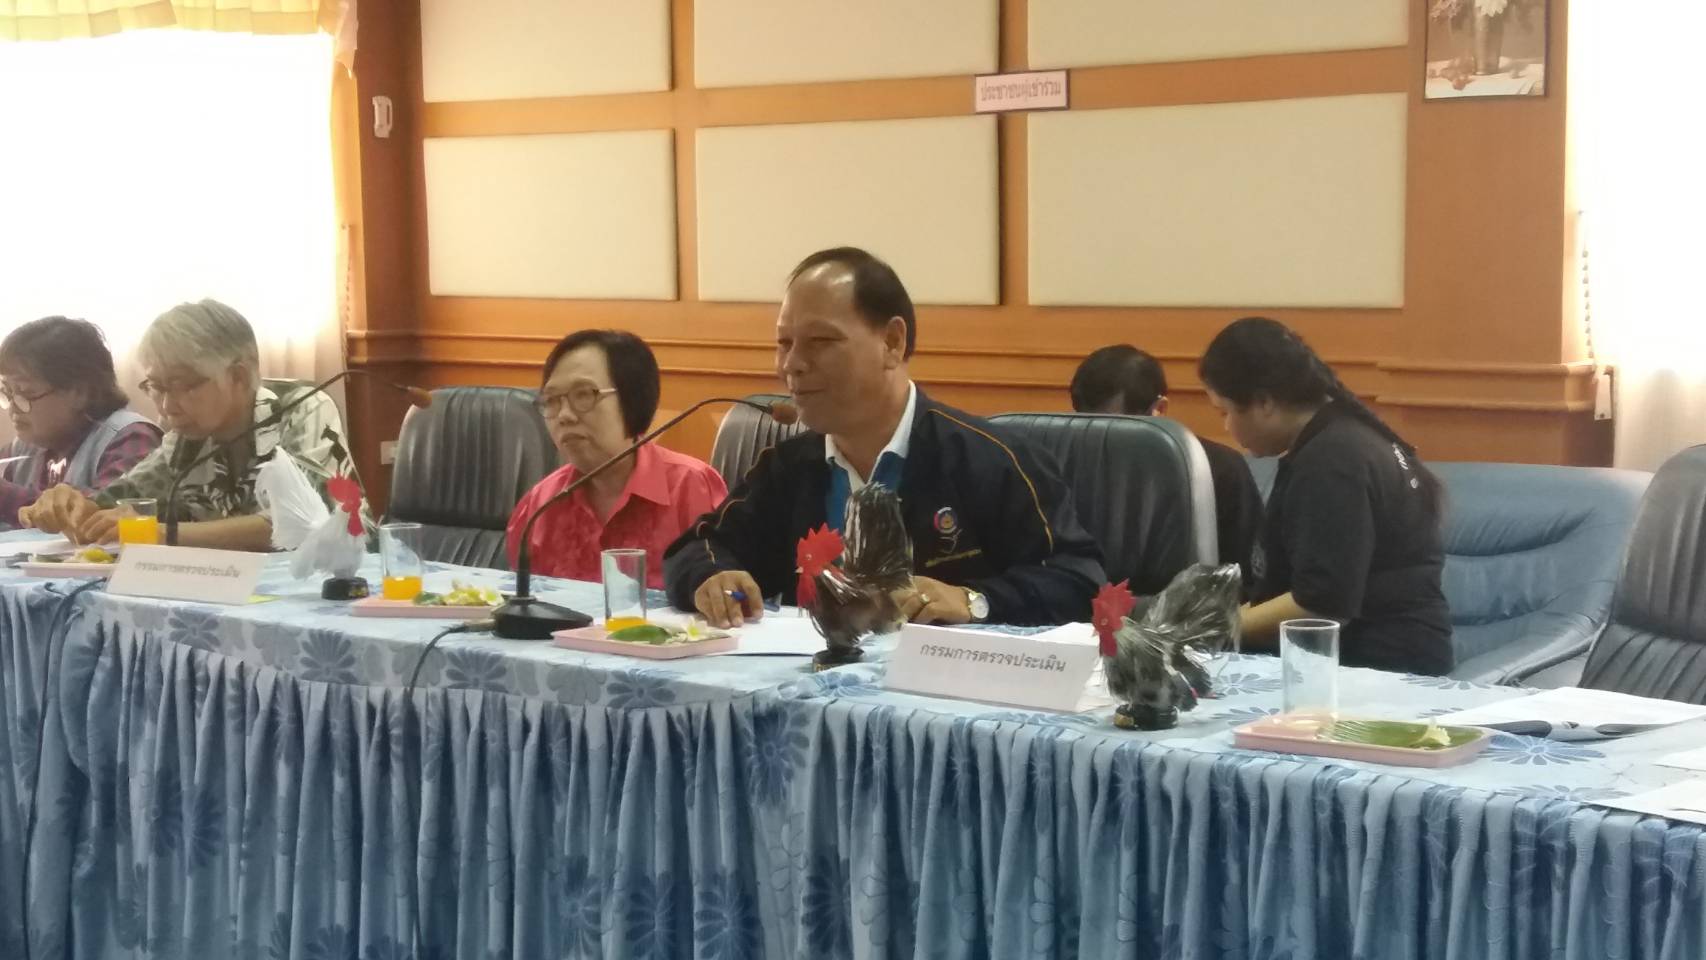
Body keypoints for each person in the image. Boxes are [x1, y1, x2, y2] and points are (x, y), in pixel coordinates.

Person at [664, 246, 1106, 629]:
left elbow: (1080, 580)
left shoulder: (989, 460)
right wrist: (711, 577)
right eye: (784, 343)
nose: (792, 364)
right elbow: (701, 546)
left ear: (893, 342)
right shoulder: (789, 467)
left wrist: (974, 601)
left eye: (820, 341)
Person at [1198, 316, 1451, 675]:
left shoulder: (1333, 461)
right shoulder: (1341, 440)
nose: (1225, 427)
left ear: (1264, 402)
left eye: (1225, 412)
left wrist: (1210, 631)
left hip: (1379, 670)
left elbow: (1321, 605)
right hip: (1387, 658)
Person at [19, 299, 365, 550]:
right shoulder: (186, 439)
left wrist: (163, 534)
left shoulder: (303, 407)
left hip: (344, 587)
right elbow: (118, 504)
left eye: (184, 385)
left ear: (238, 377)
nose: (167, 406)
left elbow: (303, 521)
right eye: (156, 387)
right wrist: (70, 505)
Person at [506, 329, 729, 588]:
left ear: (632, 400)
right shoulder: (539, 504)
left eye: (584, 394)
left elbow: (730, 594)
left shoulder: (692, 487)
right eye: (552, 400)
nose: (564, 415)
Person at [1070, 344, 1264, 590]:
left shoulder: (1219, 469)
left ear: (1159, 409)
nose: (1101, 439)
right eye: (1088, 423)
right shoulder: (1062, 462)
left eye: (1115, 425)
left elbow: (1242, 579)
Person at [0, 317, 162, 528]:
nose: (13, 407)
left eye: (26, 393)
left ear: (79, 393)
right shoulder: (26, 445)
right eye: (7, 392)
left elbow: (106, 513)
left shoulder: (131, 437)